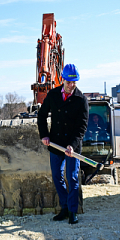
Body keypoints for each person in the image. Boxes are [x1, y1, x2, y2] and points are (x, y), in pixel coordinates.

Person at [37, 64, 89, 224]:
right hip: (56, 144)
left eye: (74, 82)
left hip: (72, 147)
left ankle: (73, 211)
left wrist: (72, 145)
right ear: (63, 80)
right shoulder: (53, 95)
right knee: (57, 177)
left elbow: (82, 126)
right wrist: (44, 135)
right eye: (68, 82)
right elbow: (41, 115)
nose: (71, 85)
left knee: (72, 177)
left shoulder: (81, 100)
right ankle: (64, 207)